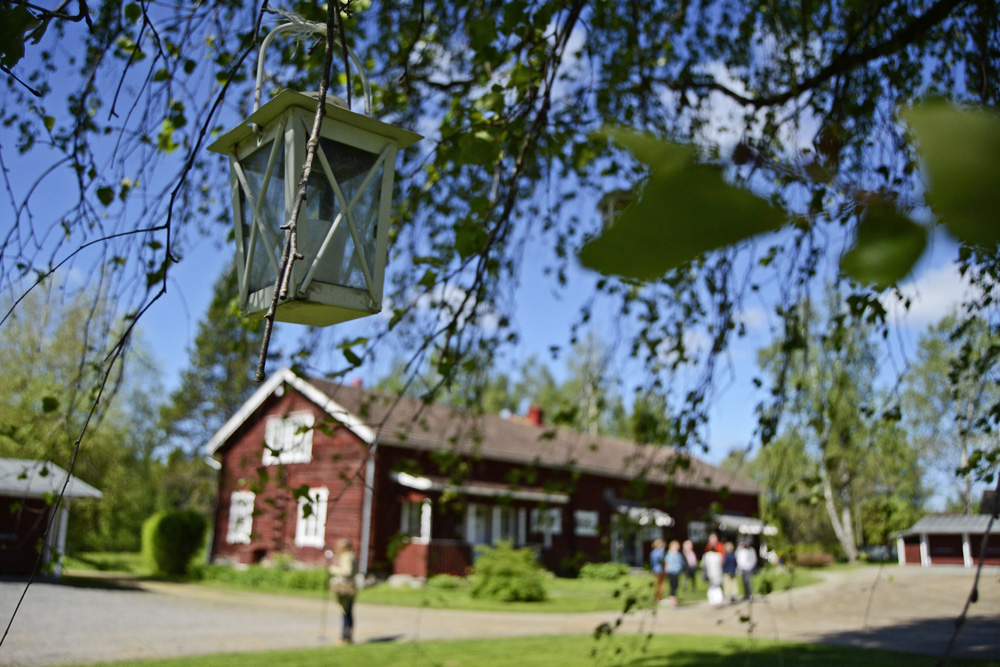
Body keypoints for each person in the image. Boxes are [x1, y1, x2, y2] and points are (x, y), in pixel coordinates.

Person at [328, 538, 358, 644]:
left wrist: (334, 569)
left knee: (346, 612)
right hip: (350, 586)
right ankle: (346, 636)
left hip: (346, 586)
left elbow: (347, 572)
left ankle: (345, 637)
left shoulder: (347, 556)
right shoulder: (351, 555)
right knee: (347, 612)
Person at [664, 540, 684, 607]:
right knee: (672, 586)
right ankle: (672, 601)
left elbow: (681, 563)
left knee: (675, 586)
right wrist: (666, 571)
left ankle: (674, 600)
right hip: (672, 572)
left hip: (677, 572)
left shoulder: (678, 554)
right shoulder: (670, 554)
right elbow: (667, 563)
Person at [650, 538, 667, 605]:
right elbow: (663, 561)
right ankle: (660, 598)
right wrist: (665, 570)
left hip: (654, 570)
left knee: (656, 585)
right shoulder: (661, 551)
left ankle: (656, 598)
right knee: (661, 585)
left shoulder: (652, 552)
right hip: (660, 570)